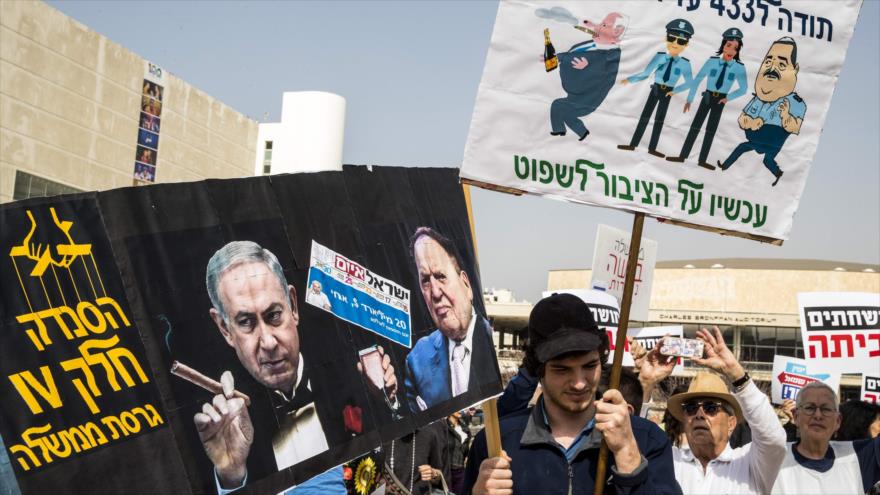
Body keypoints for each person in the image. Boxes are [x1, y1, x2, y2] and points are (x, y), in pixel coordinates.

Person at [195, 241, 394, 493]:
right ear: (225, 329)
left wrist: (388, 401)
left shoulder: (354, 377)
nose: (267, 342)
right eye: (246, 322)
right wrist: (232, 477)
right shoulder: (220, 428)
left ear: (293, 305)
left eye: (274, 315)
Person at [463, 293, 681, 495]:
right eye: (562, 369)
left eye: (589, 365)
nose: (579, 383)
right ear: (539, 370)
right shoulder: (497, 441)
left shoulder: (646, 438)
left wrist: (628, 457)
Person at [638, 327, 787, 494]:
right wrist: (646, 382)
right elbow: (633, 443)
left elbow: (774, 440)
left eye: (710, 408)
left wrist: (735, 373)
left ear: (731, 423)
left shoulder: (749, 463)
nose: (699, 415)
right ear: (684, 419)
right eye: (691, 408)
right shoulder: (668, 461)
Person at [404, 227, 498, 412]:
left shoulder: (492, 341)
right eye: (425, 280)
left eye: (441, 276)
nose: (435, 292)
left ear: (466, 284)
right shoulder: (416, 360)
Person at [718, 37, 806, 186]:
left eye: (782, 64)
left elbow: (795, 127)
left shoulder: (794, 102)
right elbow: (742, 119)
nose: (772, 68)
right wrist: (751, 122)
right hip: (755, 140)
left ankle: (778, 174)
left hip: (773, 143)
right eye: (768, 61)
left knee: (767, 160)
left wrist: (785, 116)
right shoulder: (758, 98)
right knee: (742, 147)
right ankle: (724, 166)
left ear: (795, 69)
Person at [771, 381, 880, 494]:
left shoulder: (858, 456)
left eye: (826, 409)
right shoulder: (771, 458)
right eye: (810, 408)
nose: (818, 415)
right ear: (796, 416)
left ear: (838, 421)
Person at [666, 28, 748, 170]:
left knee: (711, 130)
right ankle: (682, 156)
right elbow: (697, 80)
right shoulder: (712, 62)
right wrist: (690, 99)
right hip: (708, 97)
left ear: (737, 51)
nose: (730, 51)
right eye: (728, 45)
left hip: (720, 100)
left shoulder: (739, 68)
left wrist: (728, 98)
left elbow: (743, 88)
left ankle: (702, 160)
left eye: (735, 48)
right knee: (695, 127)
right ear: (723, 45)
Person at [617, 19, 694, 158]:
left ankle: (652, 148)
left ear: (686, 44)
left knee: (660, 119)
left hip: (668, 92)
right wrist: (629, 79)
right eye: (672, 38)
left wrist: (675, 91)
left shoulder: (684, 64)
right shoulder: (659, 57)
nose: (675, 43)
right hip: (656, 88)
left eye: (681, 41)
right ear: (666, 38)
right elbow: (646, 73)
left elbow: (690, 83)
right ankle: (633, 144)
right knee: (644, 117)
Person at [446, 411, 471, 495]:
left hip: (460, 469)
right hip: (447, 470)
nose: (460, 410)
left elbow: (466, 449)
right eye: (457, 408)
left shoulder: (465, 428)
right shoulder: (443, 427)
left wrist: (467, 456)